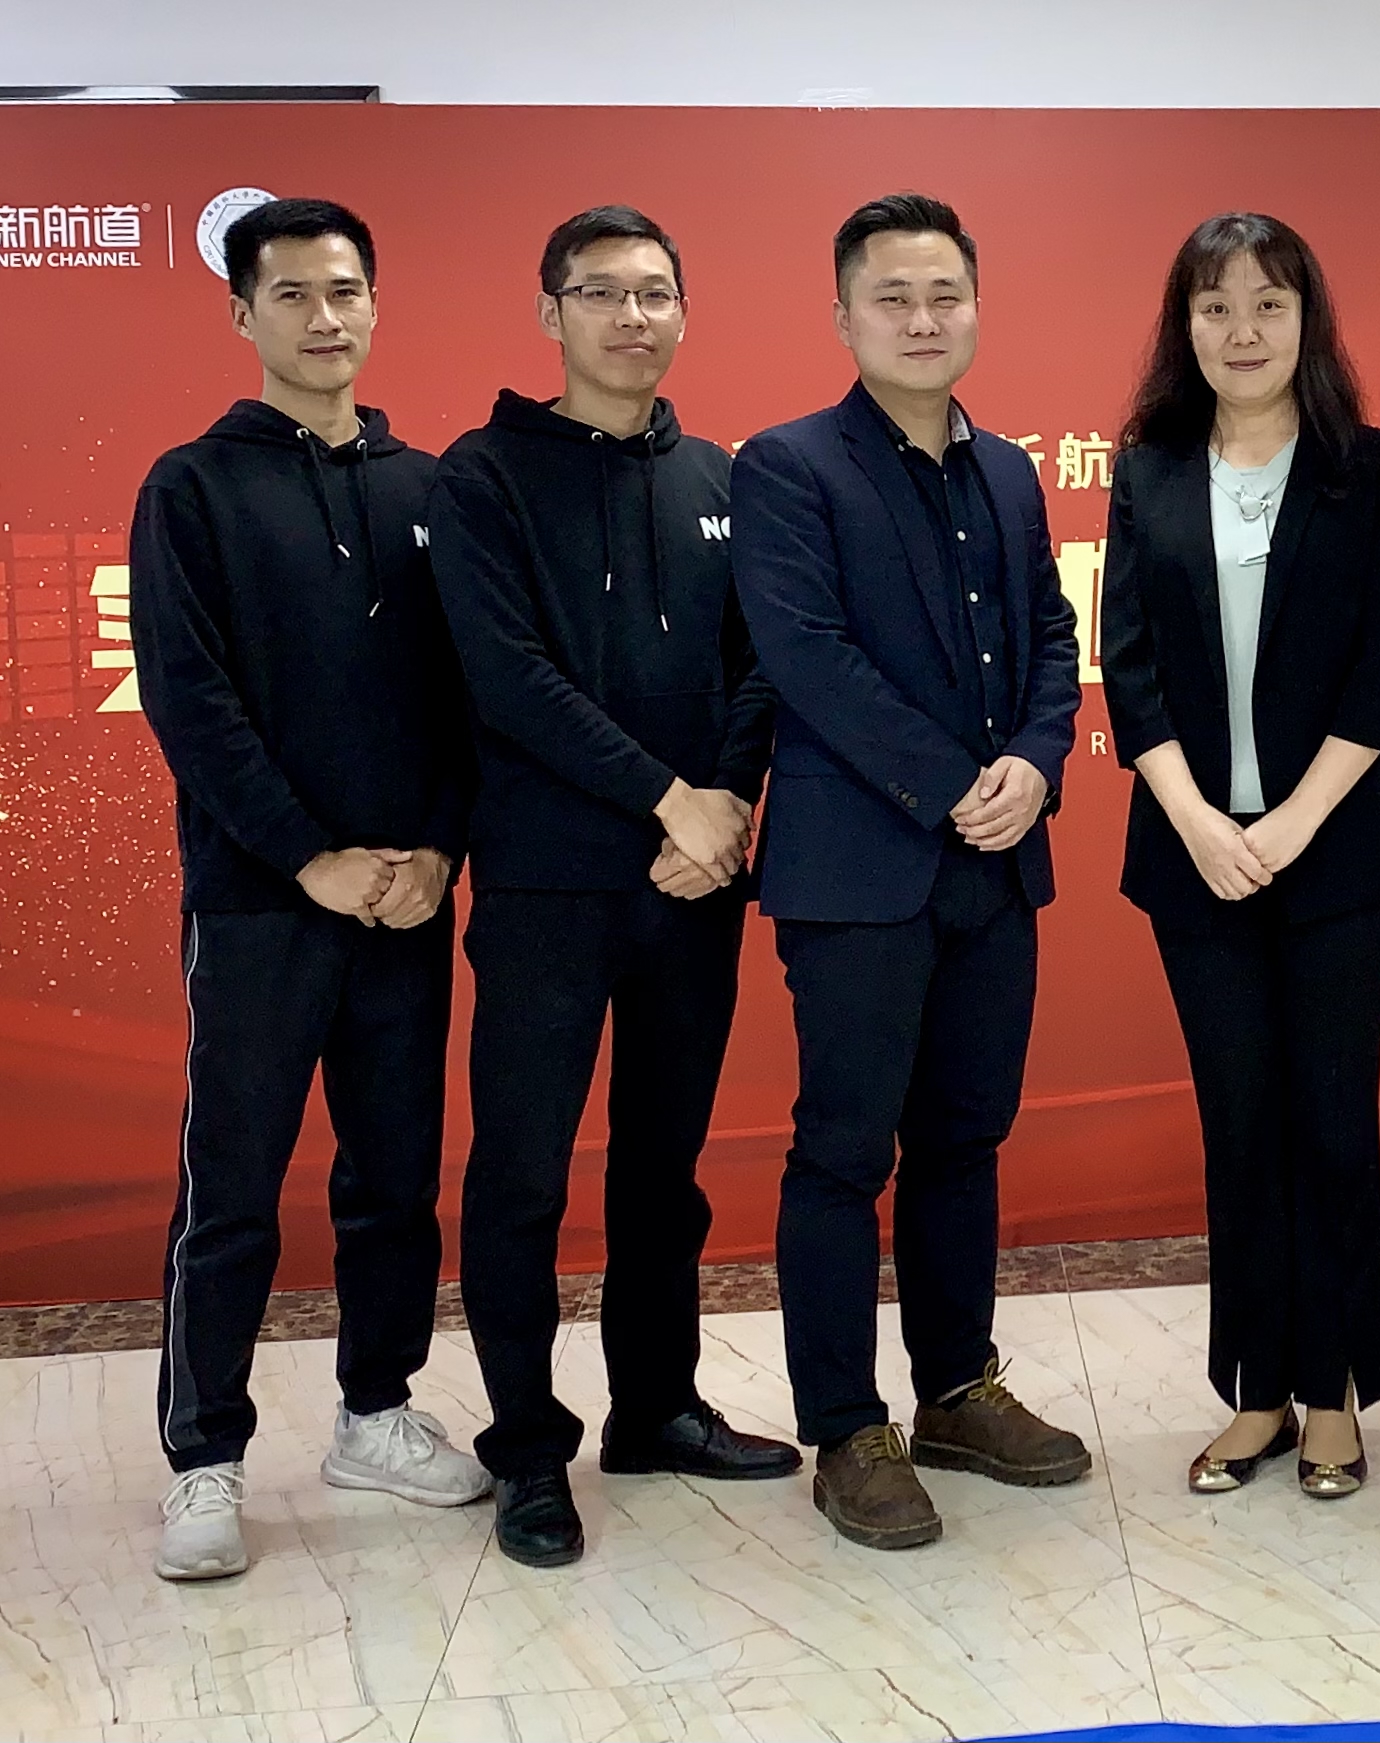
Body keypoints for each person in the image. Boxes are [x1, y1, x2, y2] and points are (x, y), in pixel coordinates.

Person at [430, 204, 800, 1569]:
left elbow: (762, 663)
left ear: (683, 312)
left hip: (690, 888)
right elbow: (509, 678)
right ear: (550, 314)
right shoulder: (480, 479)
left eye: (653, 292)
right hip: (547, 887)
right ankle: (528, 1446)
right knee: (523, 1174)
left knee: (663, 1169)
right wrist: (667, 796)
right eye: (600, 292)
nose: (630, 316)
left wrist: (726, 804)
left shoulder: (721, 476)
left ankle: (655, 1405)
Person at [130, 198, 489, 1582]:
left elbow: (470, 698)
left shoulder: (430, 489)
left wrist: (437, 851)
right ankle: (203, 1457)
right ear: (243, 315)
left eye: (344, 289)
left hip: (405, 899)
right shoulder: (191, 488)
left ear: (375, 305)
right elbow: (192, 700)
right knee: (233, 1185)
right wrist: (306, 855)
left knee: (392, 1178)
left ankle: (375, 1413)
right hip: (263, 901)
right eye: (290, 294)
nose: (323, 317)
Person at [730, 192, 1092, 1551]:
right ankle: (847, 1427)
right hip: (857, 871)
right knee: (843, 1150)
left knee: (964, 1140)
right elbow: (807, 657)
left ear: (976, 308)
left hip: (995, 866)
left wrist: (1038, 763)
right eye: (892, 297)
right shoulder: (787, 466)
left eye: (945, 294)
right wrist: (956, 784)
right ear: (843, 316)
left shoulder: (1008, 471)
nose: (922, 318)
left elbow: (1052, 634)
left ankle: (955, 1389)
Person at [1096, 214, 1380, 1500]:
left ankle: (1335, 1390)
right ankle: (1256, 1392)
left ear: (1309, 321)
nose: (1242, 331)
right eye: (1216, 306)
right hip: (1195, 856)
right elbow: (1128, 661)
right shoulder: (1149, 467)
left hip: (1339, 858)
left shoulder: (1370, 468)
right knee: (1238, 1126)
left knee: (1330, 1123)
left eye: (1268, 305)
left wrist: (1293, 821)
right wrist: (1198, 819)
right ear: (1183, 326)